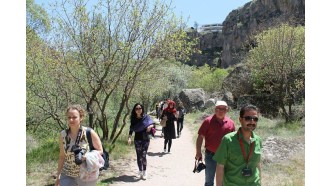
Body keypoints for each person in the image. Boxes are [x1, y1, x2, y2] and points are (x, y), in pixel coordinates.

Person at [213, 104, 262, 186]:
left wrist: (260, 182)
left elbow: (258, 164)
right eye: (248, 118)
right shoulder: (228, 140)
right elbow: (220, 166)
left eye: (255, 119)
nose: (252, 121)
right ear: (240, 119)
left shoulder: (258, 140)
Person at [56, 104, 104, 186]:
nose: (71, 120)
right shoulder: (63, 134)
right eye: (69, 117)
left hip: (86, 174)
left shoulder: (89, 132)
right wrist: (58, 175)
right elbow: (62, 156)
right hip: (67, 173)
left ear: (81, 117)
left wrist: (86, 156)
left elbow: (100, 151)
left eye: (74, 117)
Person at [195, 100, 235, 186]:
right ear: (215, 109)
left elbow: (233, 141)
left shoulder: (231, 123)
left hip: (226, 157)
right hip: (211, 156)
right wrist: (198, 152)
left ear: (227, 110)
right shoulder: (208, 121)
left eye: (223, 109)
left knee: (224, 181)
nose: (220, 111)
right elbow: (200, 137)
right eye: (218, 109)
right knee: (209, 181)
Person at [128, 103, 155, 180]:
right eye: (136, 108)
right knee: (138, 155)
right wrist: (129, 137)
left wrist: (150, 126)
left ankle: (145, 171)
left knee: (143, 155)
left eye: (140, 108)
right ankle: (140, 170)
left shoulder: (146, 117)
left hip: (146, 138)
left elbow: (153, 124)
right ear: (135, 110)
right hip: (137, 139)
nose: (138, 110)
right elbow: (131, 128)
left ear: (142, 109)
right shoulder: (133, 119)